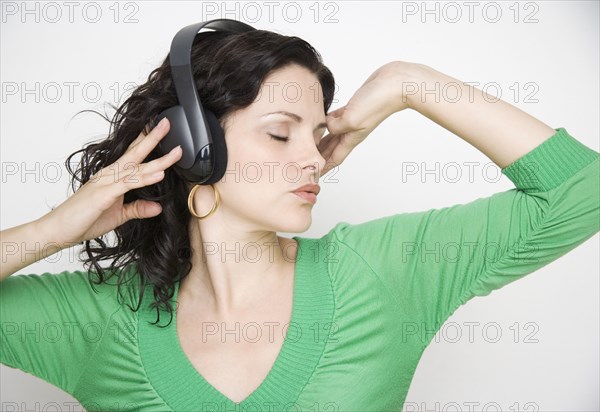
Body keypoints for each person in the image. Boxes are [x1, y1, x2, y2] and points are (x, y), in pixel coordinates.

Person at [1, 24, 598, 411]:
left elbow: (582, 189)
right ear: (197, 145)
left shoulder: (384, 270)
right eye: (281, 133)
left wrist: (407, 84)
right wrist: (54, 230)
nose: (315, 159)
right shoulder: (98, 318)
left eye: (316, 136)